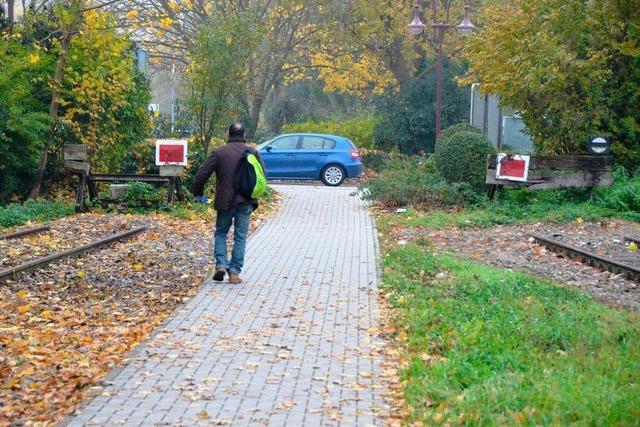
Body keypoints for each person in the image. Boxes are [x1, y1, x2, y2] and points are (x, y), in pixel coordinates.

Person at [192, 122, 266, 284]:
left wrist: (198, 192)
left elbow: (202, 173)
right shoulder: (252, 152)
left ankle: (221, 265)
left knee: (221, 233)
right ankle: (234, 273)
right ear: (244, 135)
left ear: (229, 134)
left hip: (225, 201)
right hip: (245, 201)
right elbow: (262, 176)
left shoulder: (219, 152)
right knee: (240, 236)